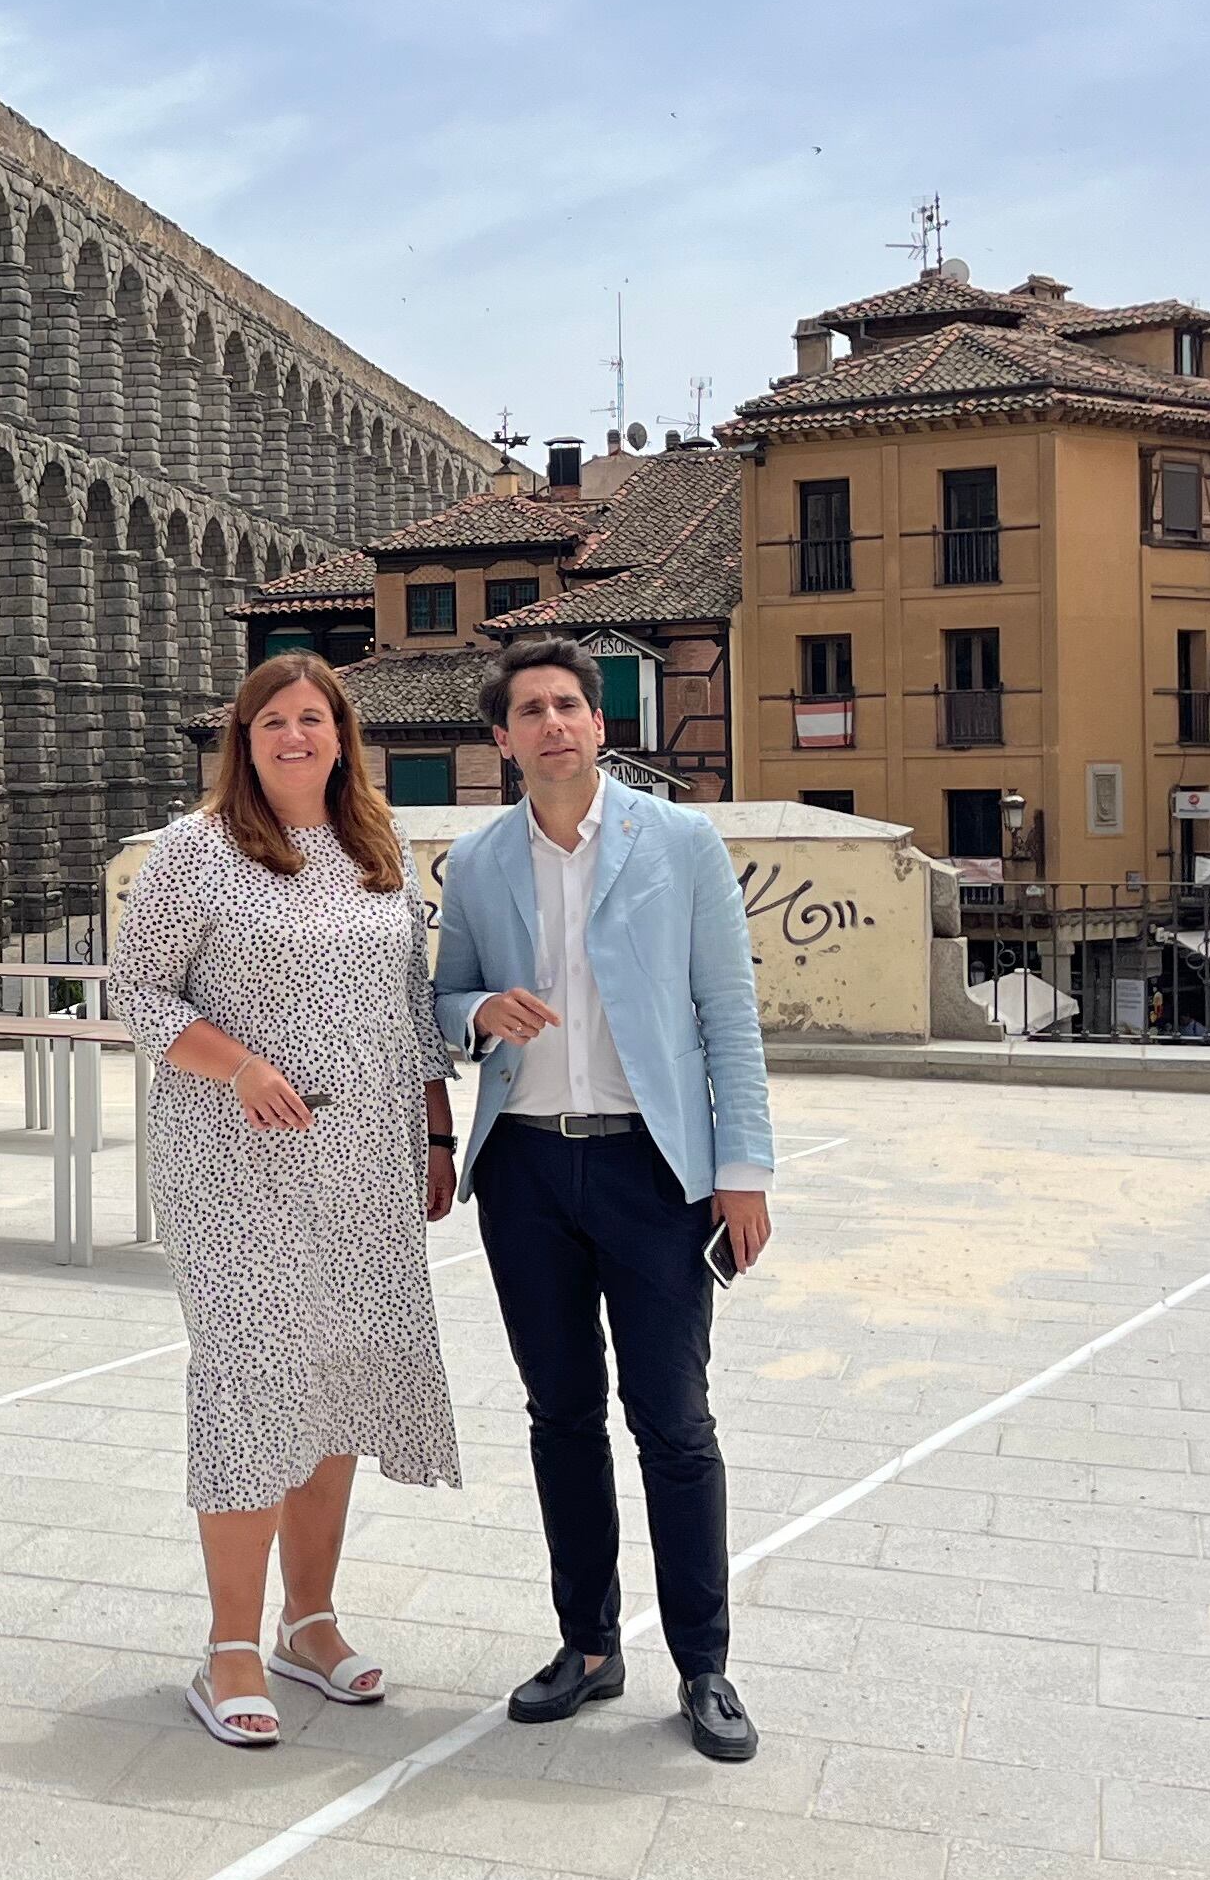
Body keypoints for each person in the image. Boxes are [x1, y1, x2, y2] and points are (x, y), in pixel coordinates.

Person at [432, 634, 775, 1761]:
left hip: (652, 1169)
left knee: (674, 1423)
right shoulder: (478, 861)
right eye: (529, 710)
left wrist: (744, 1173)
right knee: (559, 1416)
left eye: (569, 705)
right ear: (503, 738)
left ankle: (705, 1667)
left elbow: (728, 1013)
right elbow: (442, 1000)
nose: (552, 724)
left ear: (599, 724)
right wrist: (481, 1011)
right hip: (526, 1169)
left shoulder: (678, 842)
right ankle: (587, 1645)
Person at [113, 652, 462, 1748]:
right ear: (245, 739)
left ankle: (309, 1622)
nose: (294, 737)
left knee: (339, 1378)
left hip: (365, 1161)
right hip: (236, 1164)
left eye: (312, 719)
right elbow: (135, 990)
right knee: (252, 1376)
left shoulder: (378, 848)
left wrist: (436, 1130)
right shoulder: (195, 851)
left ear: (342, 733)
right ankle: (228, 1647)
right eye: (274, 722)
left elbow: (410, 1000)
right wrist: (240, 1066)